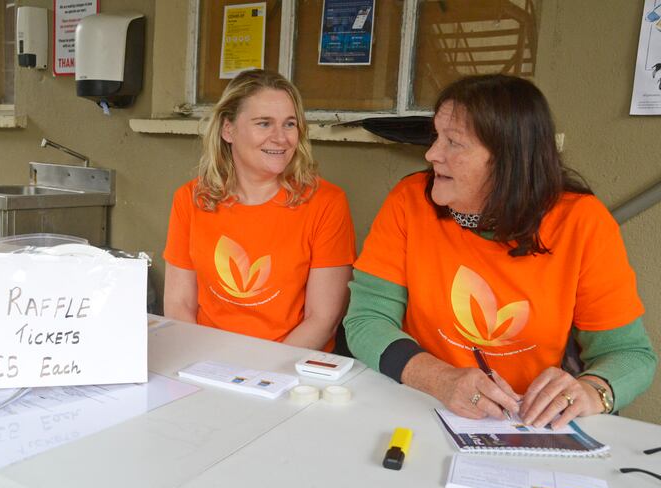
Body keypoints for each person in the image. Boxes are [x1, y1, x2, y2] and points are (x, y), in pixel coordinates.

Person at [344, 74, 657, 429]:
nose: (431, 154)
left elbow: (630, 355)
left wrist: (590, 391)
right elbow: (366, 320)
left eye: (454, 143)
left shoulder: (581, 221)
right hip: (422, 406)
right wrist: (439, 379)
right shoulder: (409, 200)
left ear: (508, 160)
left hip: (531, 426)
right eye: (435, 137)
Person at [164, 69, 356, 351]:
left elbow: (322, 319)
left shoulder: (326, 203)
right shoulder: (191, 198)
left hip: (289, 368)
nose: (281, 138)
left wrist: (259, 374)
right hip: (207, 362)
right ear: (228, 129)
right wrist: (207, 365)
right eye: (264, 124)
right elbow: (179, 305)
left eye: (289, 124)